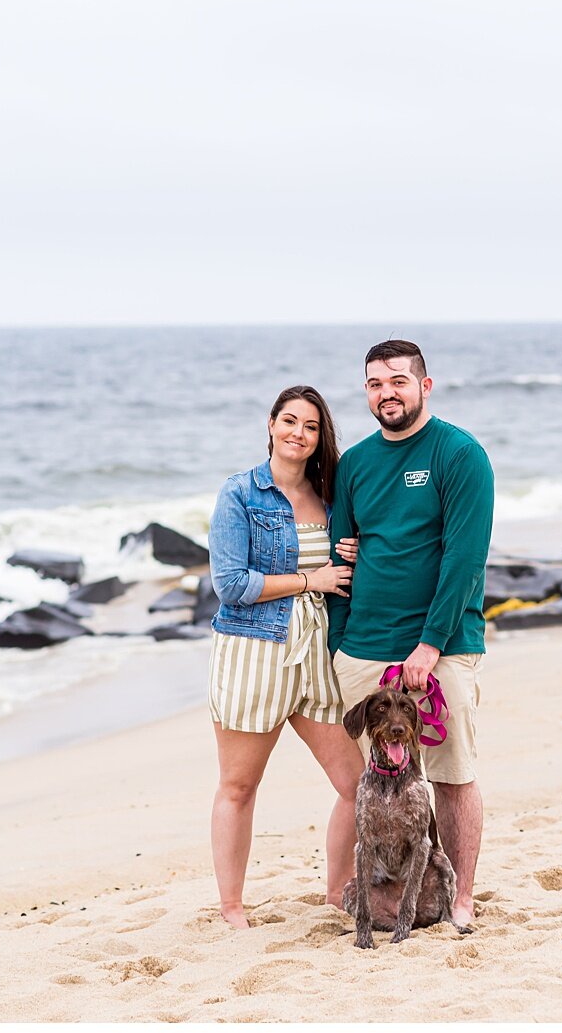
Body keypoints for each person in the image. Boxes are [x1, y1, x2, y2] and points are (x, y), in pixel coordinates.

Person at [326, 339, 494, 930]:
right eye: (374, 384)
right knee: (368, 782)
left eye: (397, 380)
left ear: (425, 384)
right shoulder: (355, 465)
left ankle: (462, 898)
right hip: (362, 650)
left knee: (448, 775)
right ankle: (360, 898)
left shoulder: (460, 454)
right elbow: (340, 557)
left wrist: (430, 643)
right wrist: (337, 644)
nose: (385, 393)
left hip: (440, 650)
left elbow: (465, 558)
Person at [206, 386, 362, 929]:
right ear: (270, 425)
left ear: (322, 438)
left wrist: (353, 554)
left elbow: (346, 571)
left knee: (356, 785)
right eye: (290, 421)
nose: (299, 433)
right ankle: (231, 909)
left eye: (311, 426)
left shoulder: (334, 496)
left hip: (316, 652)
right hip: (253, 651)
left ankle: (339, 891)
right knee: (239, 786)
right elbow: (229, 584)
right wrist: (309, 579)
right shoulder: (240, 494)